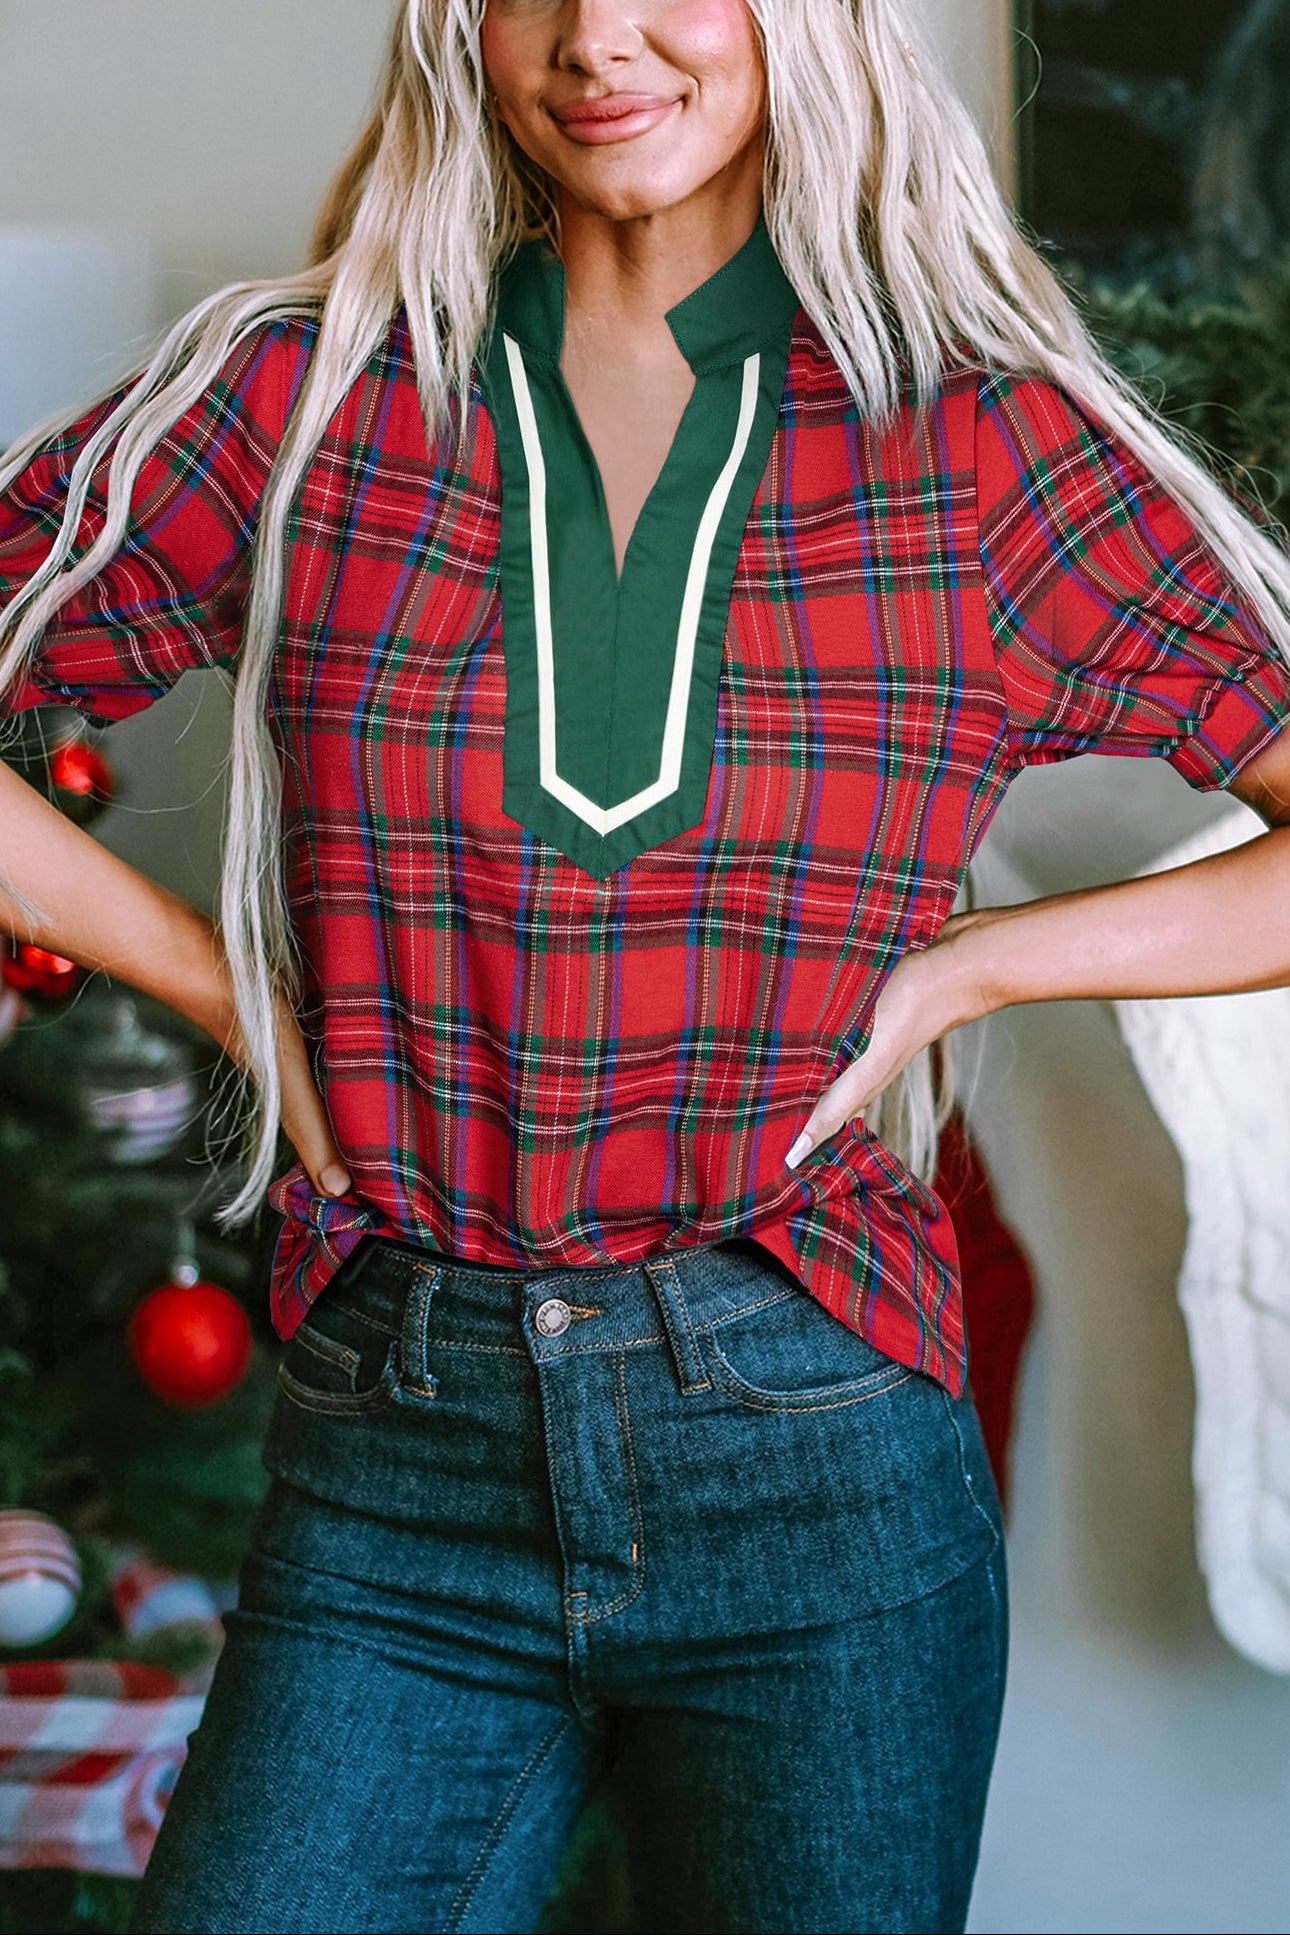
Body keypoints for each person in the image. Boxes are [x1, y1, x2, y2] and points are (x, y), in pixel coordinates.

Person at [2, 0, 1289, 1928]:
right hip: (394, 1456)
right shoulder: (298, 393)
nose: (603, 38)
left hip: (814, 1446)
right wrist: (224, 988)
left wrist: (975, 969)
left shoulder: (981, 439)